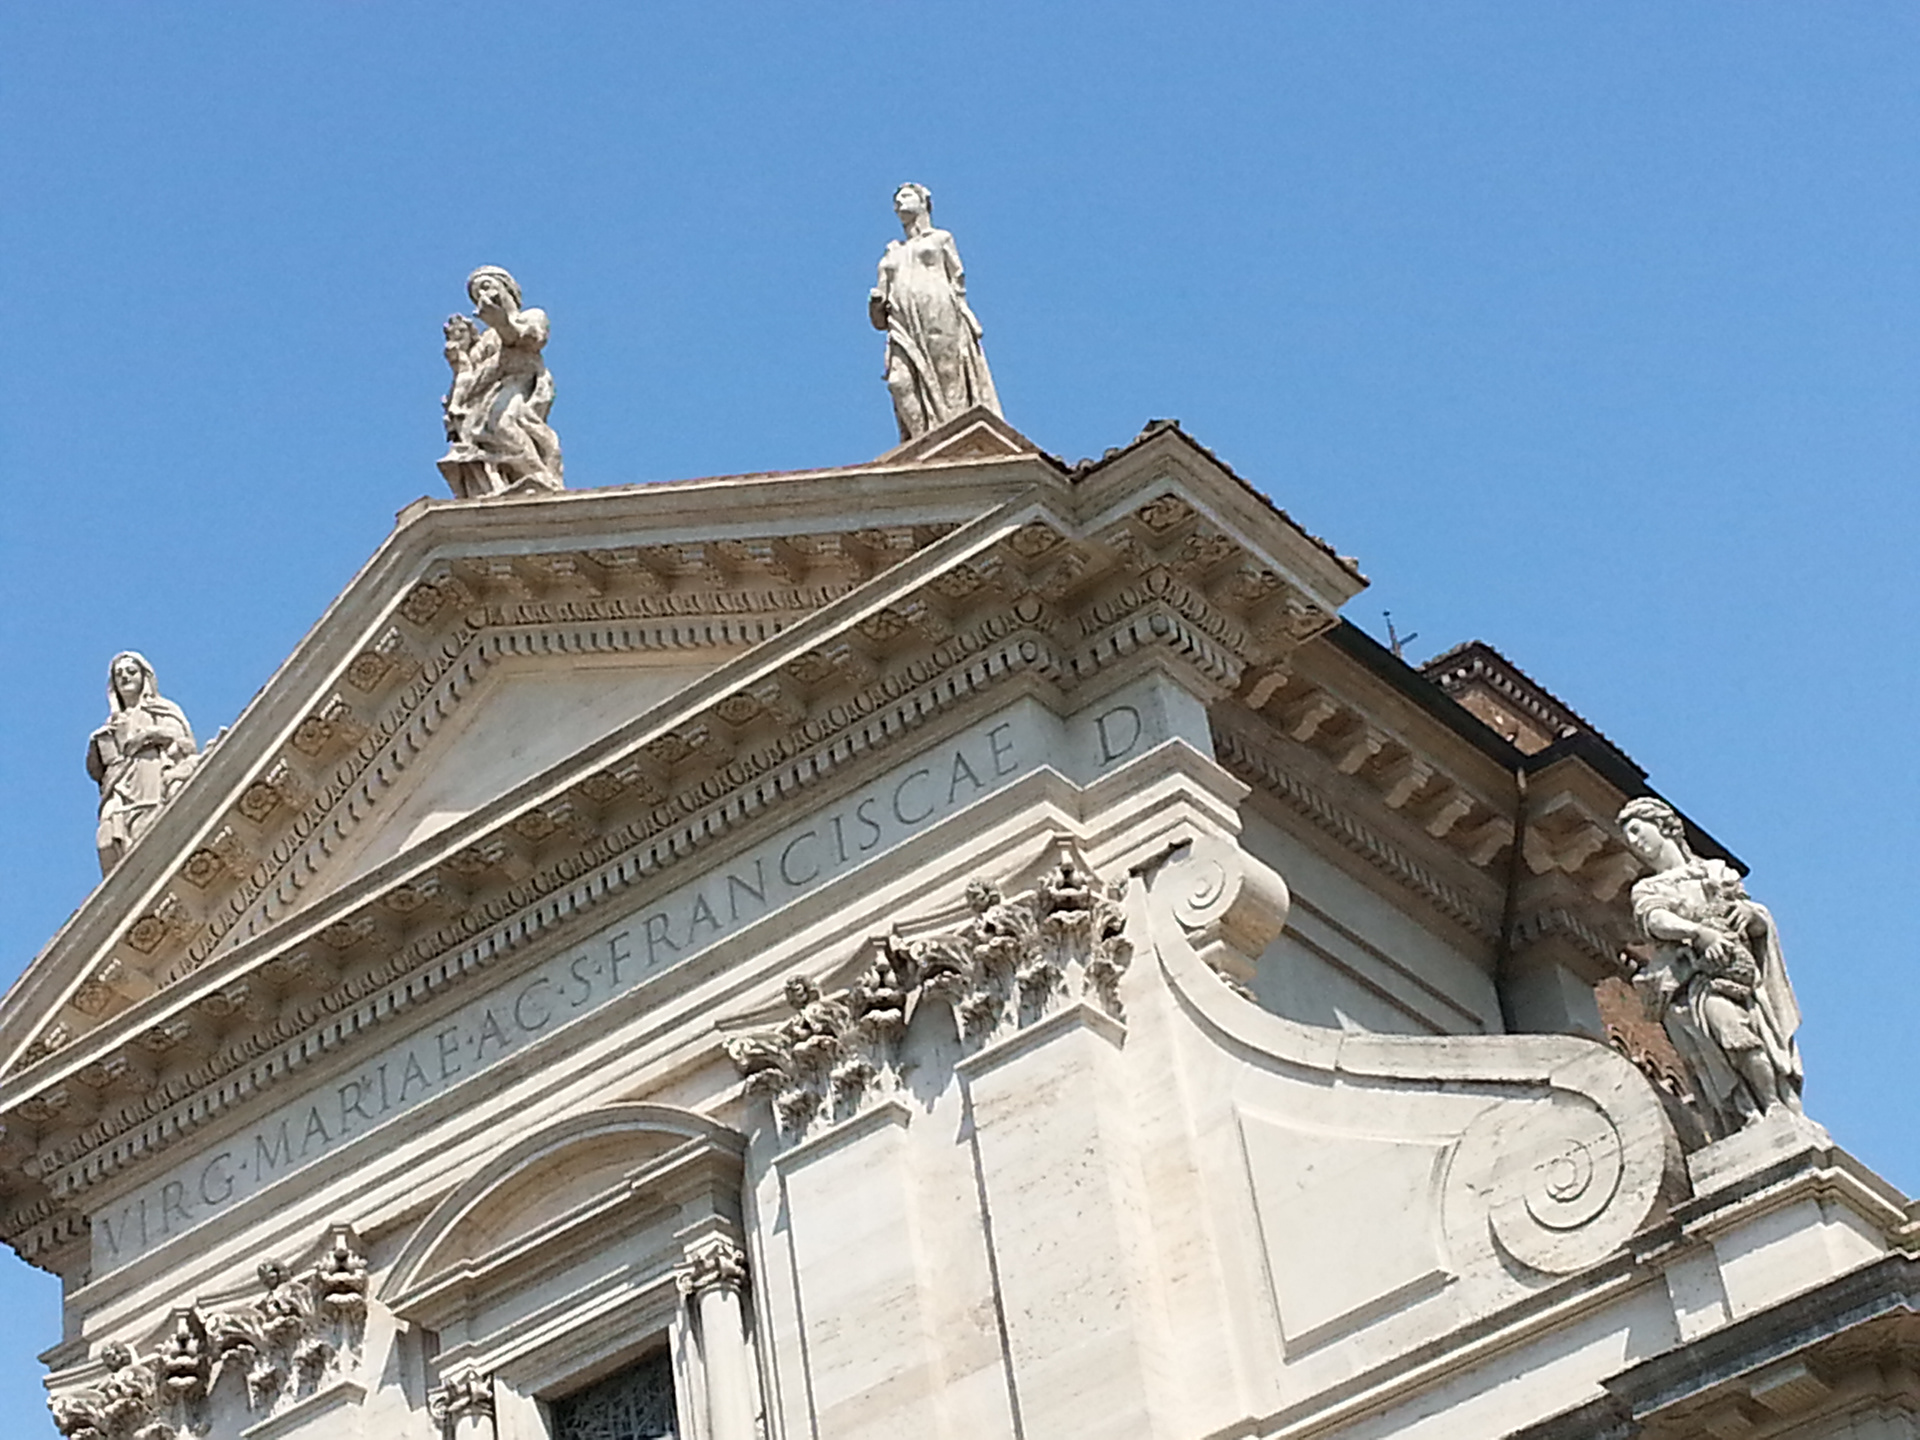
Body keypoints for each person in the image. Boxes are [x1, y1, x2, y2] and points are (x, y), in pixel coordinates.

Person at [1617, 796, 1803, 1137]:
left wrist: (1752, 916)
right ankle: (1747, 1113)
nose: (1635, 843)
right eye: (1629, 838)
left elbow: (1751, 915)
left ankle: (1776, 1105)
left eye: (1638, 831)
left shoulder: (1715, 871)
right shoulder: (1648, 888)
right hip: (1694, 984)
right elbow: (1654, 918)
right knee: (1729, 1036)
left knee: (1751, 1039)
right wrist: (1697, 932)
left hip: (1738, 977)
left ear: (1665, 827)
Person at [869, 184, 1001, 441]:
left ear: (923, 202)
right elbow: (878, 319)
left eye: (905, 197)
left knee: (948, 375)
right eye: (895, 200)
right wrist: (875, 303)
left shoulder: (940, 239)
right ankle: (922, 444)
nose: (898, 203)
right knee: (898, 382)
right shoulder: (891, 252)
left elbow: (957, 280)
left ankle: (957, 436)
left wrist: (964, 316)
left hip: (939, 313)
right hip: (901, 324)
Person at [438, 265, 564, 498]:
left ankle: (538, 478)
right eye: (477, 295)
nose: (483, 296)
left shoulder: (531, 316)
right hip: (485, 396)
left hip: (521, 383)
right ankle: (504, 482)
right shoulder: (485, 340)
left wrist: (502, 323)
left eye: (486, 287)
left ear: (507, 288)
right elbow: (468, 377)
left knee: (503, 423)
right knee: (485, 433)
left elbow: (530, 339)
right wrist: (459, 363)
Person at [86, 652, 199, 875]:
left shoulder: (161, 709)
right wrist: (96, 747)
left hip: (150, 774)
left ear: (144, 676)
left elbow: (184, 742)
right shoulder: (113, 722)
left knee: (148, 826)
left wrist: (148, 734)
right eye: (119, 674)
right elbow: (96, 771)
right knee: (107, 840)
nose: (125, 677)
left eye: (131, 671)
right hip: (117, 786)